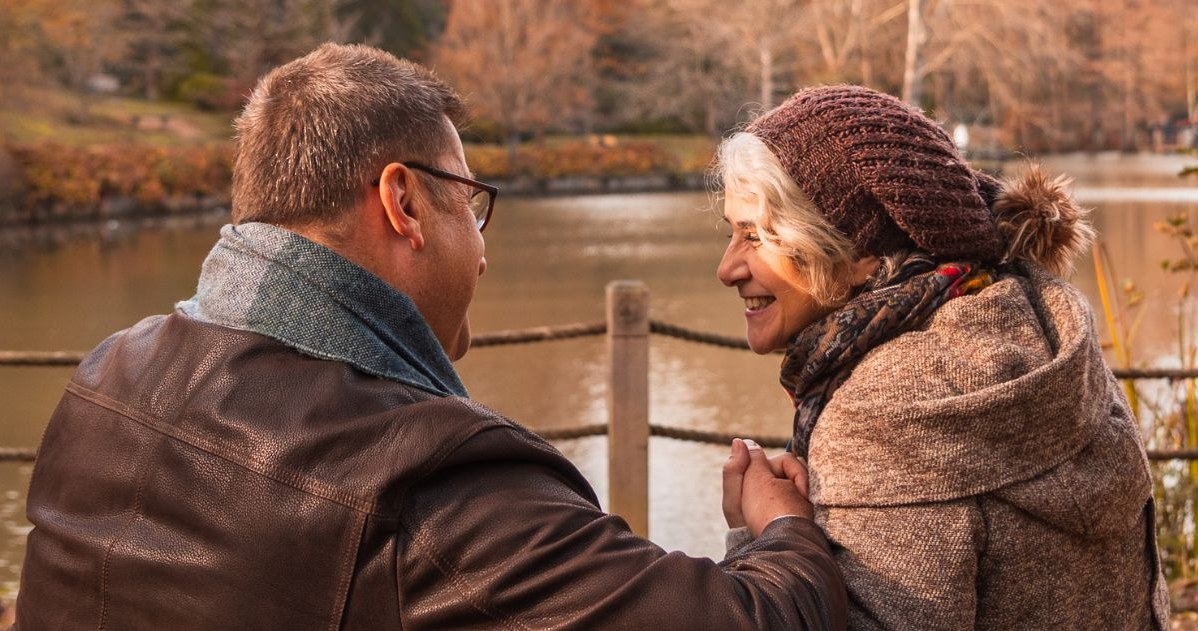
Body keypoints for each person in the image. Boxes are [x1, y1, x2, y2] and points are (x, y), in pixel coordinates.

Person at [14, 43, 847, 630]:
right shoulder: (425, 479)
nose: (483, 253)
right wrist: (780, 528)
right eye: (471, 204)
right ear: (404, 203)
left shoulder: (104, 377)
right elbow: (760, 621)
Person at [714, 85, 1170, 630]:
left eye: (757, 235)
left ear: (861, 253)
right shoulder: (1039, 326)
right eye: (731, 232)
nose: (728, 268)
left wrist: (770, 533)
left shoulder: (884, 411)